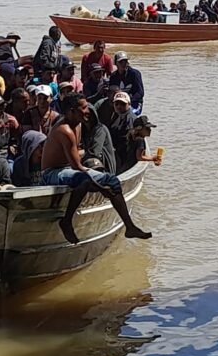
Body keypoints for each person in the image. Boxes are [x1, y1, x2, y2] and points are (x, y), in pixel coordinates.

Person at [41, 93, 152, 244]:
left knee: (112, 181)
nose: (88, 111)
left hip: (68, 168)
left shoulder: (78, 124)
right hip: (52, 173)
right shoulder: (64, 130)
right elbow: (77, 166)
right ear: (72, 111)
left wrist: (103, 185)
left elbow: (77, 159)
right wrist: (101, 187)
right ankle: (66, 221)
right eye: (84, 108)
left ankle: (130, 226)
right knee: (86, 180)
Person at [82, 102, 116, 175]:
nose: (86, 117)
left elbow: (95, 152)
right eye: (83, 114)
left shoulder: (100, 129)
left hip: (104, 167)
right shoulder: (84, 130)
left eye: (88, 114)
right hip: (90, 163)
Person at [107, 91, 136, 172]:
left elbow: (127, 142)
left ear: (129, 104)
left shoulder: (130, 119)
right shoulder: (116, 115)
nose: (119, 106)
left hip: (124, 156)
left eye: (123, 104)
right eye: (116, 104)